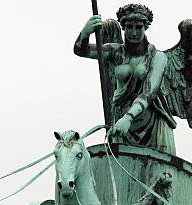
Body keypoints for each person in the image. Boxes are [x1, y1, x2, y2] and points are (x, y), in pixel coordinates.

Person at [74, 4, 177, 154]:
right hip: (121, 117)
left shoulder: (157, 57)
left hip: (151, 123)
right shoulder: (115, 52)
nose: (134, 32)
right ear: (123, 27)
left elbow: (149, 92)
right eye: (129, 27)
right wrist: (85, 33)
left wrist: (128, 118)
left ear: (146, 27)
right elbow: (80, 50)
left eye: (139, 27)